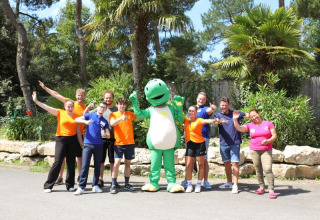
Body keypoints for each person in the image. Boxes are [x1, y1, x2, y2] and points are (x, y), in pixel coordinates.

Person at [32, 91, 81, 193]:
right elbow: (46, 107)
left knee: (71, 163)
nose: (70, 108)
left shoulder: (77, 116)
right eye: (68, 106)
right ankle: (48, 185)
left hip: (72, 140)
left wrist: (81, 143)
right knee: (58, 162)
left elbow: (78, 131)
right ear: (65, 106)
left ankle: (70, 185)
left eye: (72, 106)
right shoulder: (60, 112)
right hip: (61, 140)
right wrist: (36, 101)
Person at [38, 80, 86, 184]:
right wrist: (45, 88)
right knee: (61, 157)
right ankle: (59, 177)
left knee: (78, 157)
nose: (80, 97)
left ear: (84, 97)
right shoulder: (70, 102)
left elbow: (87, 120)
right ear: (75, 96)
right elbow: (56, 94)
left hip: (79, 134)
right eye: (78, 95)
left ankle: (79, 176)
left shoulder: (85, 108)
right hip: (65, 135)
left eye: (82, 96)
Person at [233, 109, 277, 199]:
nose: (254, 117)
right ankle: (261, 187)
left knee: (267, 169)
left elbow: (274, 136)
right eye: (252, 116)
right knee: (258, 169)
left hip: (266, 150)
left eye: (255, 115)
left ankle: (271, 190)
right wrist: (235, 119)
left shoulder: (268, 124)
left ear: (258, 113)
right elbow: (239, 128)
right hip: (254, 150)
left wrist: (268, 141)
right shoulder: (250, 125)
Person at [184, 105, 225, 193]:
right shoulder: (186, 120)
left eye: (193, 111)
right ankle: (189, 185)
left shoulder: (199, 120)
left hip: (200, 144)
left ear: (196, 112)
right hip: (190, 144)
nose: (191, 112)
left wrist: (215, 120)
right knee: (188, 165)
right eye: (189, 110)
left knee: (201, 164)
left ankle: (198, 184)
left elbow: (207, 120)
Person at [181, 92, 216, 189]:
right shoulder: (191, 110)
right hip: (190, 139)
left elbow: (209, 111)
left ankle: (206, 181)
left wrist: (212, 108)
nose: (201, 100)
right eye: (200, 99)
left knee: (203, 161)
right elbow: (186, 124)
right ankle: (186, 180)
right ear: (197, 98)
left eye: (203, 99)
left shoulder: (204, 109)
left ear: (205, 100)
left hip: (203, 138)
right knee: (189, 161)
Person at [74, 101, 109, 195]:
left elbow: (108, 135)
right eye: (101, 107)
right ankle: (81, 187)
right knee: (85, 166)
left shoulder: (105, 121)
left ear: (106, 110)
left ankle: (95, 185)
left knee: (98, 166)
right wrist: (85, 121)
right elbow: (76, 119)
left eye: (104, 108)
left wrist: (105, 134)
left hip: (99, 145)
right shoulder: (90, 115)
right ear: (98, 107)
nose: (102, 109)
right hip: (88, 144)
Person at [214, 96, 248, 194]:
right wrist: (218, 122)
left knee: (235, 164)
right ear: (220, 106)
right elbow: (215, 121)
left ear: (228, 105)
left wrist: (254, 116)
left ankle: (235, 185)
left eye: (225, 105)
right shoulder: (218, 115)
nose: (224, 106)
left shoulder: (235, 113)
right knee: (227, 164)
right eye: (222, 105)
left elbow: (248, 115)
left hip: (235, 143)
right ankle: (229, 182)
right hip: (223, 143)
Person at [109, 98, 137, 194]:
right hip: (119, 144)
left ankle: (127, 184)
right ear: (117, 105)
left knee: (128, 164)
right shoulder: (113, 114)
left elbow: (139, 115)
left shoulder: (130, 114)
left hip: (129, 143)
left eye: (124, 104)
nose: (122, 106)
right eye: (120, 104)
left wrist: (135, 103)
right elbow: (112, 123)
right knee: (116, 163)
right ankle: (113, 185)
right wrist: (121, 118)